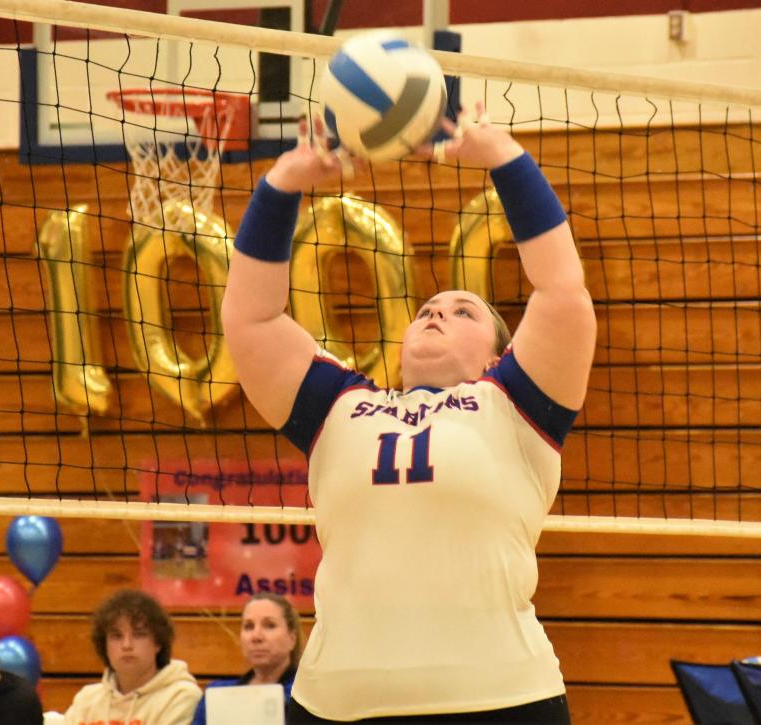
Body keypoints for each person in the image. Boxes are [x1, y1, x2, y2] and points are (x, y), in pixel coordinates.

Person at [221, 107, 596, 723]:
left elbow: (561, 294)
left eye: (462, 311)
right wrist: (281, 185)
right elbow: (250, 319)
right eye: (427, 307)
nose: (436, 314)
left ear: (502, 353)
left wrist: (505, 158)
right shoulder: (338, 408)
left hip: (500, 700)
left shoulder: (516, 405)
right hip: (338, 707)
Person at [62, 589, 201, 725]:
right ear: (104, 645)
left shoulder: (180, 696)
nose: (127, 645)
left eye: (139, 635)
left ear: (158, 643)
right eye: (117, 636)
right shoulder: (86, 700)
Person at [190, 592, 302, 725]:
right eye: (249, 626)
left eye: (269, 625)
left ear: (292, 638)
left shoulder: (306, 698)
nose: (256, 636)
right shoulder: (216, 693)